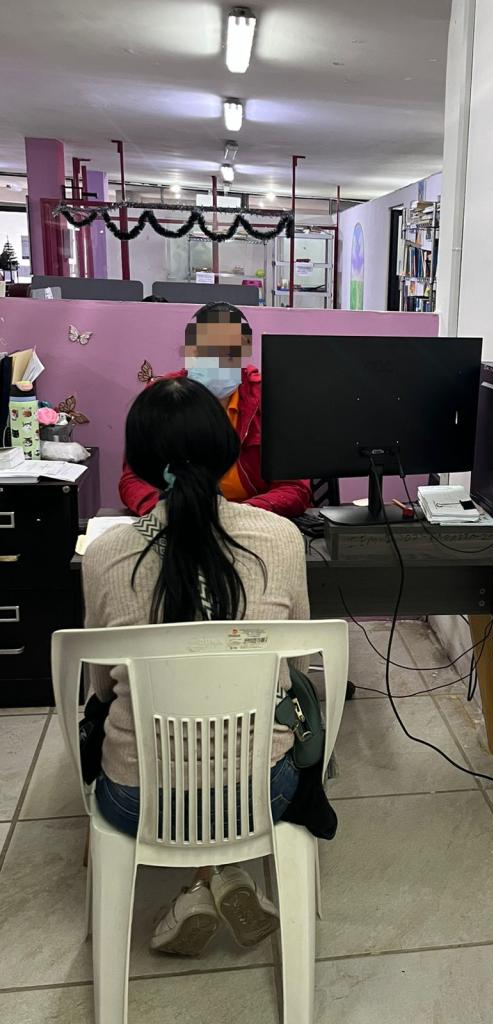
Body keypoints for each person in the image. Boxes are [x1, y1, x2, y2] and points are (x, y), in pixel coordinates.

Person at [83, 375, 310, 956]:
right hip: (264, 791)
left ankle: (200, 888)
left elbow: (100, 688)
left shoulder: (106, 554)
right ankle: (223, 875)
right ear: (227, 451)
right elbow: (299, 665)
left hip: (137, 800)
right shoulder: (282, 539)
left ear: (138, 463)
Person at [119, 301, 312, 519]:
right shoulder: (162, 397)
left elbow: (295, 487)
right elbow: (133, 480)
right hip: (176, 517)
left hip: (250, 518)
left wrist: (238, 515)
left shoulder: (270, 399)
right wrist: (166, 512)